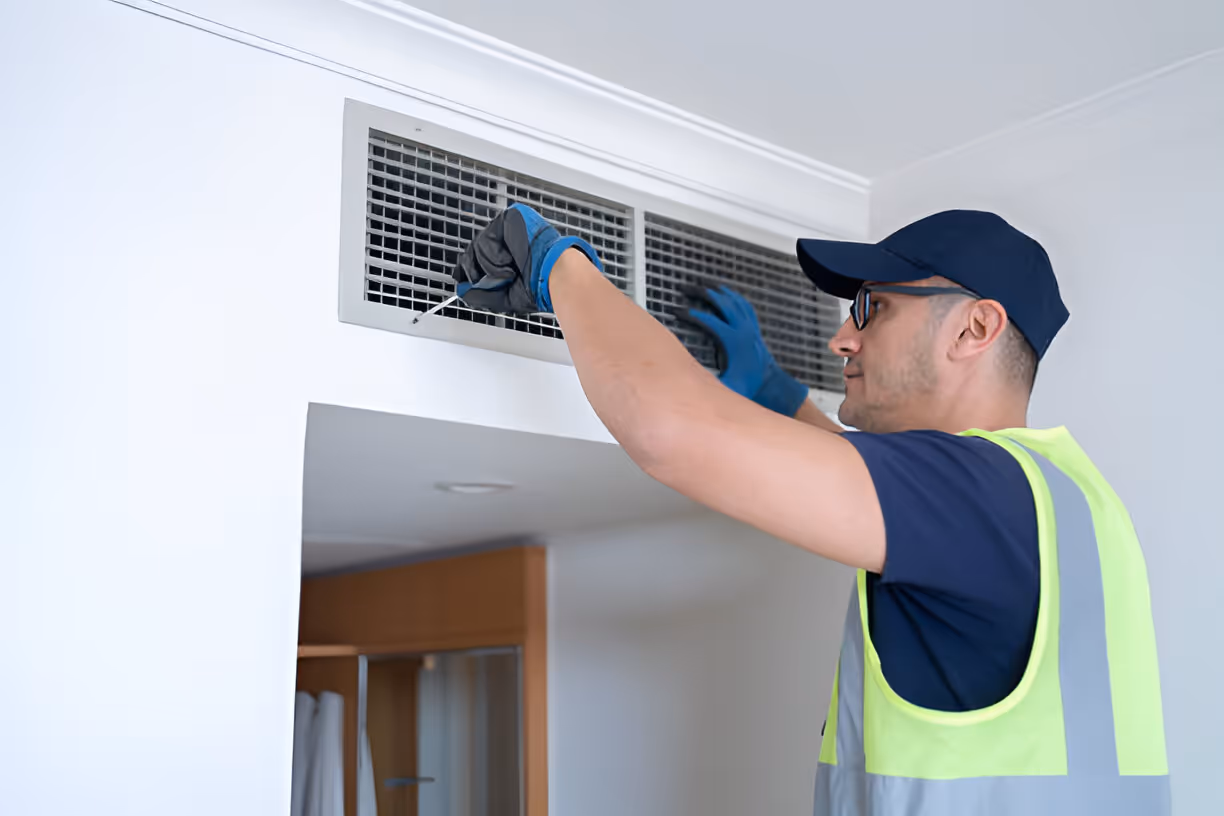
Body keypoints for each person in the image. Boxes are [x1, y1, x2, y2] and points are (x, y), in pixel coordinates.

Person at [452, 204, 1169, 814]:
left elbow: (668, 432)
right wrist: (774, 390)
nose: (842, 338)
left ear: (974, 330)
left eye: (872, 307)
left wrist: (560, 266)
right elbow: (890, 500)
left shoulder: (977, 492)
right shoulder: (1062, 499)